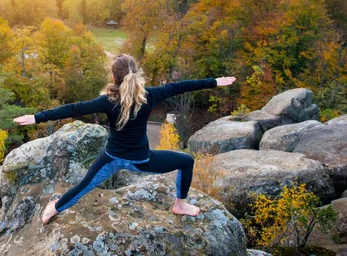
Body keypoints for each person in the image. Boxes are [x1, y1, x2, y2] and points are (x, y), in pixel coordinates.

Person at [13, 54, 236, 225]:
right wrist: (214, 82)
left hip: (110, 159)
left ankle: (54, 209)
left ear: (113, 77)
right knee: (186, 162)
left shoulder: (106, 101)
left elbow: (74, 108)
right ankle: (180, 204)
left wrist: (36, 117)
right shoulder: (151, 95)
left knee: (83, 187)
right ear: (137, 74)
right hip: (142, 161)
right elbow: (182, 86)